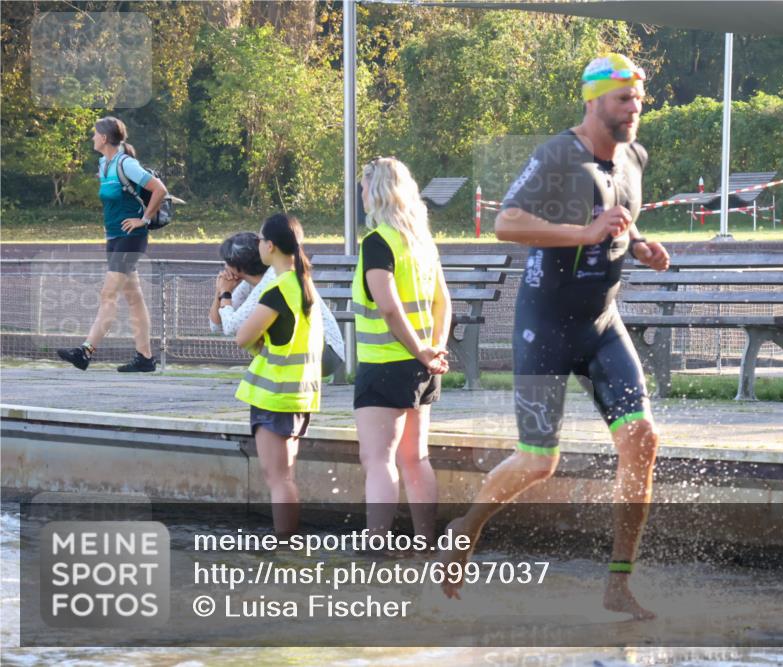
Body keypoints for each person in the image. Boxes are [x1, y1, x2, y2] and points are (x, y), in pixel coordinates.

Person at [438, 54, 670, 619]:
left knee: (642, 440)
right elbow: (506, 222)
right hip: (545, 325)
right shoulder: (557, 154)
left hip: (602, 324)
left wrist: (640, 245)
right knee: (539, 460)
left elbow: (619, 214)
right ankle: (466, 528)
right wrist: (584, 233)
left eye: (639, 100)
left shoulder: (634, 157)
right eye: (623, 99)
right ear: (593, 100)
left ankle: (618, 584)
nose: (634, 109)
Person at [352, 157, 451, 544]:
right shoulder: (421, 241)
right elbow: (443, 302)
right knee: (416, 457)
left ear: (376, 192)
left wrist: (421, 351)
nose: (361, 194)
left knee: (378, 460)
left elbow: (389, 307)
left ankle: (377, 546)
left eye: (364, 188)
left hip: (385, 365)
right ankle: (425, 542)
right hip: (423, 368)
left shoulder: (378, 243)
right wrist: (434, 349)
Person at [234, 214, 324, 536]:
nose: (258, 245)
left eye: (260, 240)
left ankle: (285, 546)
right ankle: (290, 542)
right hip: (298, 394)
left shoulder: (278, 290)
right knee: (285, 477)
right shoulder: (303, 285)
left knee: (279, 480)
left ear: (270, 246)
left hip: (275, 397)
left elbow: (242, 336)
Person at [57, 117, 168, 372]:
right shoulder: (103, 164)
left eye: (95, 134)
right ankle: (145, 358)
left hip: (131, 237)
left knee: (108, 294)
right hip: (114, 238)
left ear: (105, 138)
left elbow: (159, 190)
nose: (92, 138)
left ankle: (85, 351)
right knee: (134, 297)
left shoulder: (126, 164)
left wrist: (144, 220)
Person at [209, 231, 345, 370]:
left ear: (237, 264)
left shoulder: (272, 279)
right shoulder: (250, 283)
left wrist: (225, 294)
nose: (225, 266)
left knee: (253, 330)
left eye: (226, 261)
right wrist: (220, 291)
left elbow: (231, 327)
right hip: (306, 349)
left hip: (325, 351)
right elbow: (216, 326)